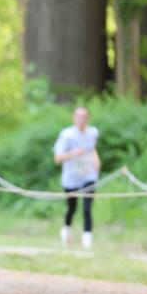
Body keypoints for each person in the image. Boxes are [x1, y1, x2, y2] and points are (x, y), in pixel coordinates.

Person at [53, 106, 101, 249]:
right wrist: (74, 153)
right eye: (79, 116)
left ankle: (87, 241)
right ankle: (66, 229)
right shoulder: (66, 135)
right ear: (73, 118)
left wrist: (96, 160)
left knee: (87, 208)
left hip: (88, 175)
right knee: (72, 208)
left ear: (88, 118)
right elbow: (57, 158)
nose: (81, 119)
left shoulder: (92, 133)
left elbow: (92, 148)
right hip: (71, 178)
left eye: (84, 116)